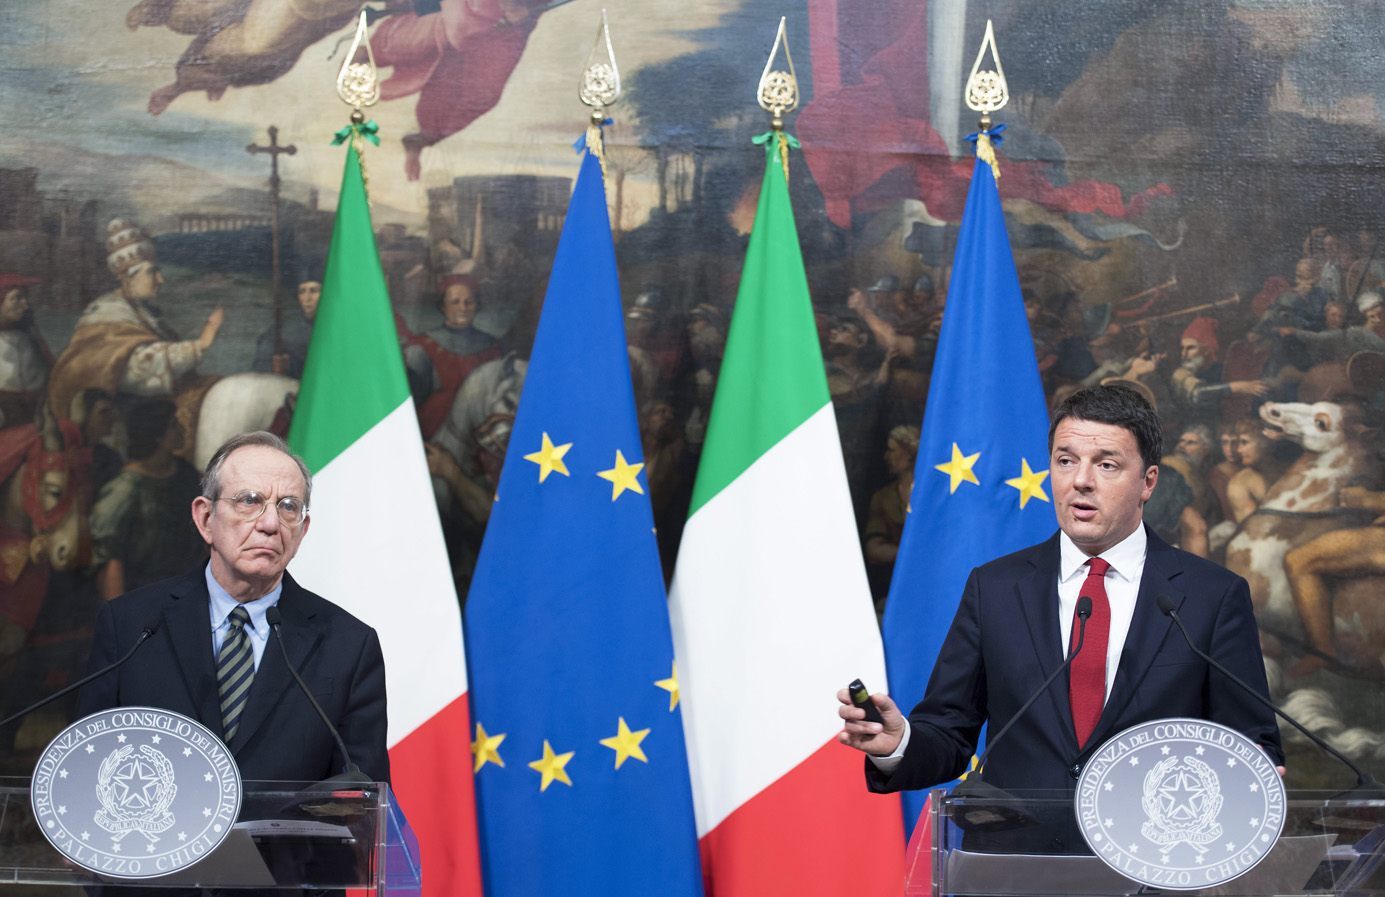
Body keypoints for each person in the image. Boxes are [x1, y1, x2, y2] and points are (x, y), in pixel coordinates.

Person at [836, 384, 1282, 818]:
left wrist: (1252, 778)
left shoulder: (1212, 595)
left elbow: (1248, 745)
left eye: (1106, 465)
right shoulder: (994, 588)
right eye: (1066, 461)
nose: (1081, 482)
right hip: (1017, 870)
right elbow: (950, 735)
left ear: (1148, 482)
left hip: (1152, 870)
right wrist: (898, 744)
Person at [77, 431, 389, 783]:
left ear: (302, 532)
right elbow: (89, 770)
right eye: (250, 501)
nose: (271, 524)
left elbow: (362, 799)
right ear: (205, 518)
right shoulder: (131, 626)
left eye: (288, 507)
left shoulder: (348, 645)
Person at [47, 218, 223, 428]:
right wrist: (199, 345)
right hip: (121, 419)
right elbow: (132, 371)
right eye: (152, 272)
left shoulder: (141, 311)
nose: (160, 279)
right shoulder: (106, 314)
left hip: (149, 404)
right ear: (127, 278)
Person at [403, 273, 502, 440]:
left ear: (477, 306)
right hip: (434, 436)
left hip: (485, 433)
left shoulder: (494, 346)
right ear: (443, 306)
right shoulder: (421, 347)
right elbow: (411, 405)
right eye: (455, 302)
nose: (462, 308)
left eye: (469, 302)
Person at [251, 266, 322, 379]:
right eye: (302, 291)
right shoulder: (281, 329)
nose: (307, 298)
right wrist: (274, 367)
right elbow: (259, 367)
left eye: (314, 291)